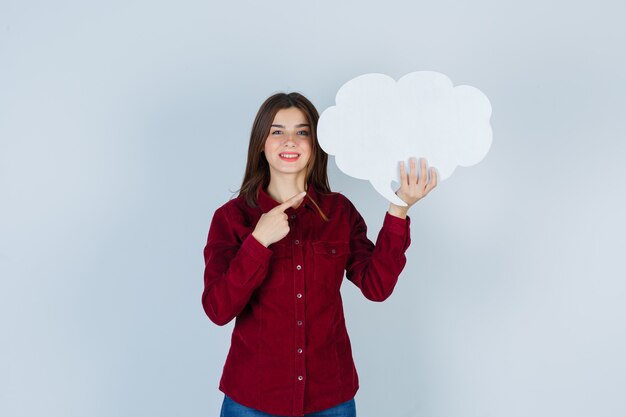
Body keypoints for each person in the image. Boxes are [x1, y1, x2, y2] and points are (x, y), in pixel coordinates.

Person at [202, 92, 437, 417]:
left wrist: (399, 208)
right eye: (277, 131)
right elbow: (217, 308)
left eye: (302, 132)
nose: (290, 141)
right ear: (260, 143)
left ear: (316, 144)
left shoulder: (339, 212)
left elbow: (376, 286)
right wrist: (258, 242)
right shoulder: (232, 218)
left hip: (330, 399)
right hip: (252, 400)